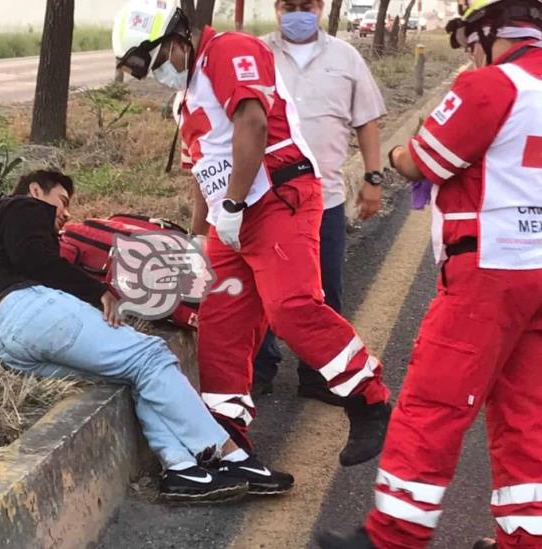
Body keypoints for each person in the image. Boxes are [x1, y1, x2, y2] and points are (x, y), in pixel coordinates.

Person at [112, 0, 392, 489]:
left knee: (291, 309)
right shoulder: (188, 95)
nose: (160, 74)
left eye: (159, 62)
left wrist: (236, 207)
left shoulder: (229, 53)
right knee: (221, 332)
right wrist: (200, 236)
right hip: (231, 221)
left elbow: (253, 125)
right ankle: (230, 445)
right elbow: (202, 169)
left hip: (276, 199)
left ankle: (369, 400)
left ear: (178, 39)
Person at [317, 0, 542, 546]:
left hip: (489, 269)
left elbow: (424, 161)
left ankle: (392, 536)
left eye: (470, 41)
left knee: (434, 402)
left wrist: (394, 154)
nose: (468, 53)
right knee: (526, 413)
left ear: (493, 31)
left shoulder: (489, 87)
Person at [0, 168, 294, 503]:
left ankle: (181, 469)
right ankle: (228, 456)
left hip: (7, 342)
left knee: (130, 374)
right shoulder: (24, 206)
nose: (64, 213)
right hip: (32, 310)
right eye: (61, 201)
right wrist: (98, 292)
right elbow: (35, 259)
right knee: (150, 355)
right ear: (36, 189)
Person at [253, 0, 387, 401]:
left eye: (306, 5)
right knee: (265, 293)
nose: (298, 13)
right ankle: (260, 369)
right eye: (289, 5)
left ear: (321, 7)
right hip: (266, 199)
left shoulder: (345, 57)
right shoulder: (256, 55)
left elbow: (367, 121)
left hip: (324, 198)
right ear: (277, 8)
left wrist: (373, 179)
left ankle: (319, 376)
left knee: (324, 292)